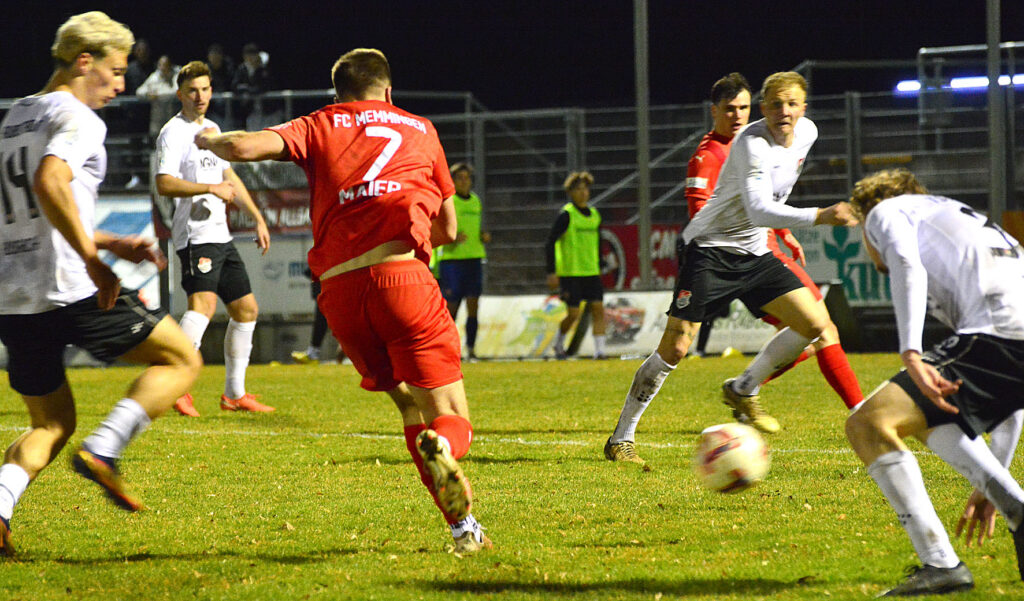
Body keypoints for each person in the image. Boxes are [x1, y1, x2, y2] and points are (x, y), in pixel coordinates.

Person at [194, 48, 490, 553]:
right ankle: (445, 448)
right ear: (388, 90)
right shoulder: (421, 129)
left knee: (408, 404)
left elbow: (243, 146)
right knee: (450, 415)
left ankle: (465, 531)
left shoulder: (321, 122)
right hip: (401, 283)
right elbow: (448, 228)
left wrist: (208, 139)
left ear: (338, 94)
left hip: (340, 295)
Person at [0, 11, 202, 555]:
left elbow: (34, 208)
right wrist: (94, 260)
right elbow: (50, 180)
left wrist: (109, 241)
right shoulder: (80, 118)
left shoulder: (16, 115)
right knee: (182, 360)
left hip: (14, 295)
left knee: (50, 424)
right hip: (70, 285)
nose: (120, 85)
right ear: (83, 61)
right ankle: (105, 450)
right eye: (115, 71)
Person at [604, 71, 858, 465]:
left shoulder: (807, 133)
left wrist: (784, 232)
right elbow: (757, 209)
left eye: (792, 104)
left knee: (816, 324)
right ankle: (621, 438)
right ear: (764, 109)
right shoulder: (749, 144)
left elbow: (773, 197)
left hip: (755, 252)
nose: (784, 111)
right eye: (776, 104)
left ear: (804, 107)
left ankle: (744, 387)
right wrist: (820, 215)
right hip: (710, 250)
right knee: (676, 347)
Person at [842, 169, 1024, 595]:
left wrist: (911, 352)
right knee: (931, 411)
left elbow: (905, 262)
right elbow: (1011, 401)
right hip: (1010, 338)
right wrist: (996, 486)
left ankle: (941, 564)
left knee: (869, 424)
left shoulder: (884, 210)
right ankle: (1016, 509)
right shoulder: (957, 219)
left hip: (998, 334)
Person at [153, 60, 274, 417]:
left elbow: (228, 177)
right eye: (193, 90)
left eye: (205, 89)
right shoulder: (172, 133)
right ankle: (175, 387)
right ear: (180, 94)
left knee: (246, 310)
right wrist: (209, 188)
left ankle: (234, 394)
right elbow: (164, 183)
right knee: (202, 308)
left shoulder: (213, 129)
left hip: (221, 235)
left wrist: (258, 218)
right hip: (194, 236)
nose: (200, 96)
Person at [545, 171, 607, 359]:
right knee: (573, 314)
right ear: (570, 192)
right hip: (571, 273)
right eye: (578, 189)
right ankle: (559, 344)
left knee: (598, 310)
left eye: (585, 189)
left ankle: (600, 352)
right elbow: (550, 242)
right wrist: (552, 271)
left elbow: (598, 242)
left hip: (591, 271)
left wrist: (600, 263)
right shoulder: (567, 215)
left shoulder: (594, 215)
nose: (583, 193)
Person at [437, 163, 491, 360]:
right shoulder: (448, 201)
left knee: (473, 306)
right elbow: (437, 229)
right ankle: (447, 350)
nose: (463, 181)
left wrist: (483, 236)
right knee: (451, 308)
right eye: (459, 177)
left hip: (474, 259)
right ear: (452, 180)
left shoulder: (475, 201)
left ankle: (471, 349)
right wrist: (450, 238)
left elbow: (476, 228)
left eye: (466, 177)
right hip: (452, 261)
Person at [136, 54, 180, 138]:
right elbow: (139, 92)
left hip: (173, 115)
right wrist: (147, 95)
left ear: (170, 66)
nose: (162, 68)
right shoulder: (154, 77)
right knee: (156, 139)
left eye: (165, 65)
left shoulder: (176, 75)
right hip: (157, 117)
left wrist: (157, 95)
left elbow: (176, 92)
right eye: (160, 65)